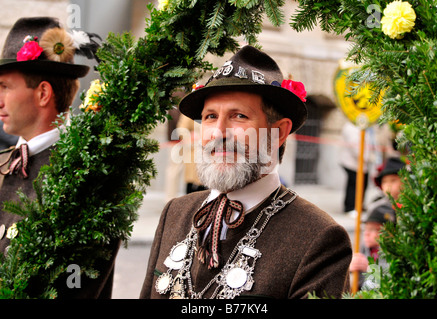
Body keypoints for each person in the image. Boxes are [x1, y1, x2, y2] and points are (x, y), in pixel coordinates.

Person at [140, 45, 352, 299]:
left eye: (238, 116)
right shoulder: (174, 213)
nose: (218, 132)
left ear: (279, 132)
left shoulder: (319, 238)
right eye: (209, 117)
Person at [0, 17, 115, 298]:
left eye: (4, 87)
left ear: (42, 93)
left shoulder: (85, 174)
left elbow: (75, 287)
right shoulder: (6, 162)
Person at [349, 157, 405, 289]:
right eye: (385, 182)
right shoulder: (377, 207)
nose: (388, 186)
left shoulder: (411, 210)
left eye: (393, 180)